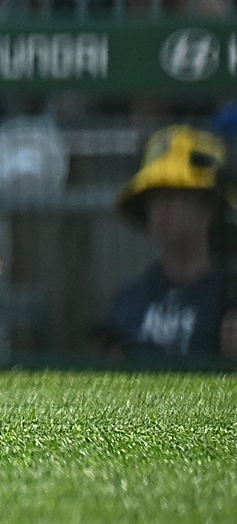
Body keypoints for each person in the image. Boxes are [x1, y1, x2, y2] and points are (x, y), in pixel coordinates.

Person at [98, 127, 234, 363]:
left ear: (209, 204)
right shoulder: (131, 297)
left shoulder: (231, 296)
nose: (163, 207)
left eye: (177, 193)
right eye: (155, 195)